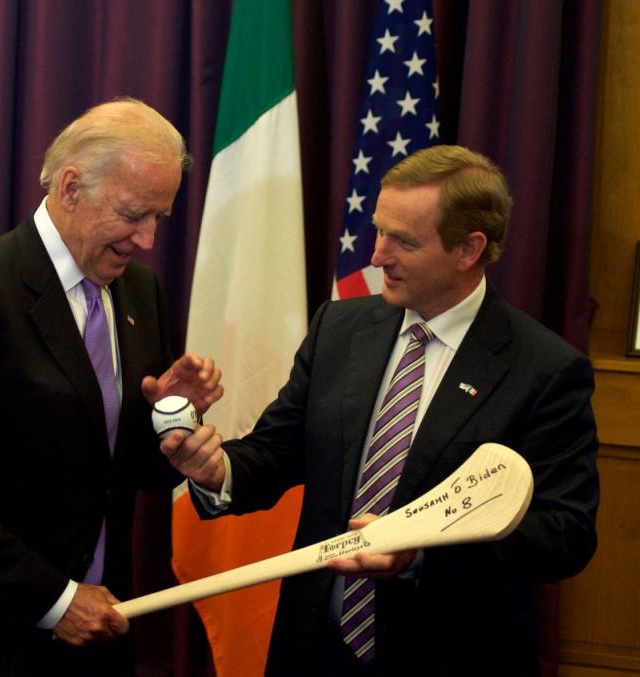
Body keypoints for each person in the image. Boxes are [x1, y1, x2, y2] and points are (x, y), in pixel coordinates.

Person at [164, 145, 599, 676]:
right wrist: (217, 471)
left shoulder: (545, 369)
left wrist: (420, 554)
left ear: (468, 249)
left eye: (404, 240)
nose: (376, 255)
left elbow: (565, 533)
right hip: (313, 648)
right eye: (378, 230)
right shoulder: (340, 328)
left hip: (449, 656)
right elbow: (278, 449)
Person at [0, 98, 222, 676]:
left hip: (102, 635)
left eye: (158, 219)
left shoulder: (140, 291)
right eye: (132, 214)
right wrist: (56, 600)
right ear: (71, 187)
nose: (146, 239)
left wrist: (173, 422)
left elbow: (129, 471)